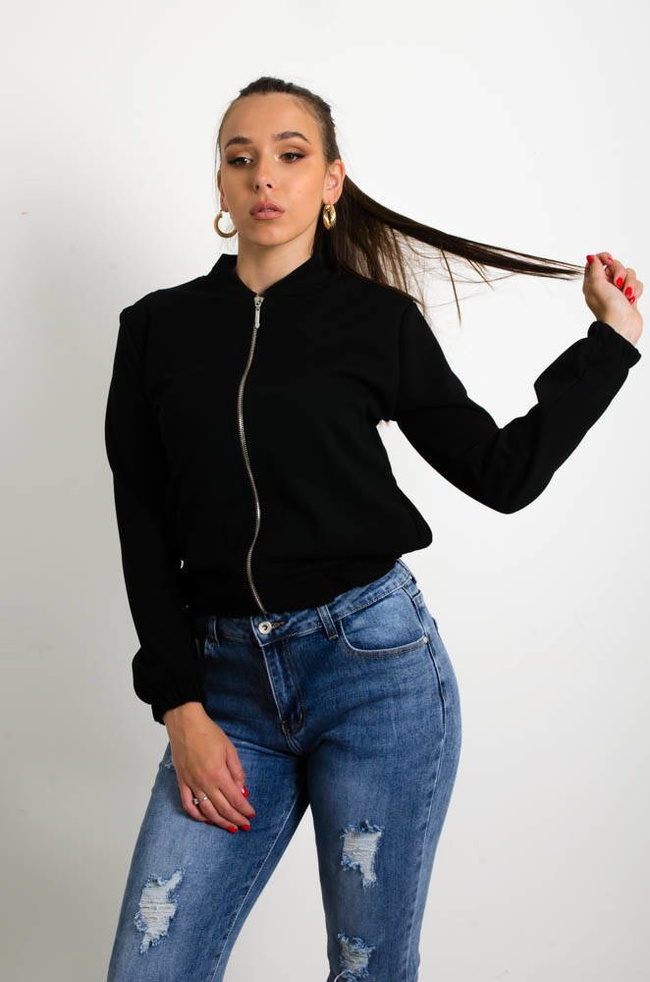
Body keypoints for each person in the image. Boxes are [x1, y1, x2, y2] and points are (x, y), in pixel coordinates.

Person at [103, 76, 643, 981]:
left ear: (331, 182)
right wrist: (179, 704)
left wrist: (609, 346)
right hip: (224, 686)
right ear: (221, 185)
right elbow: (144, 522)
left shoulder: (375, 322)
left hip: (373, 674)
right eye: (240, 158)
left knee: (366, 968)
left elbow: (501, 475)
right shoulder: (156, 329)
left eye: (290, 155)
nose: (263, 176)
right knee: (149, 966)